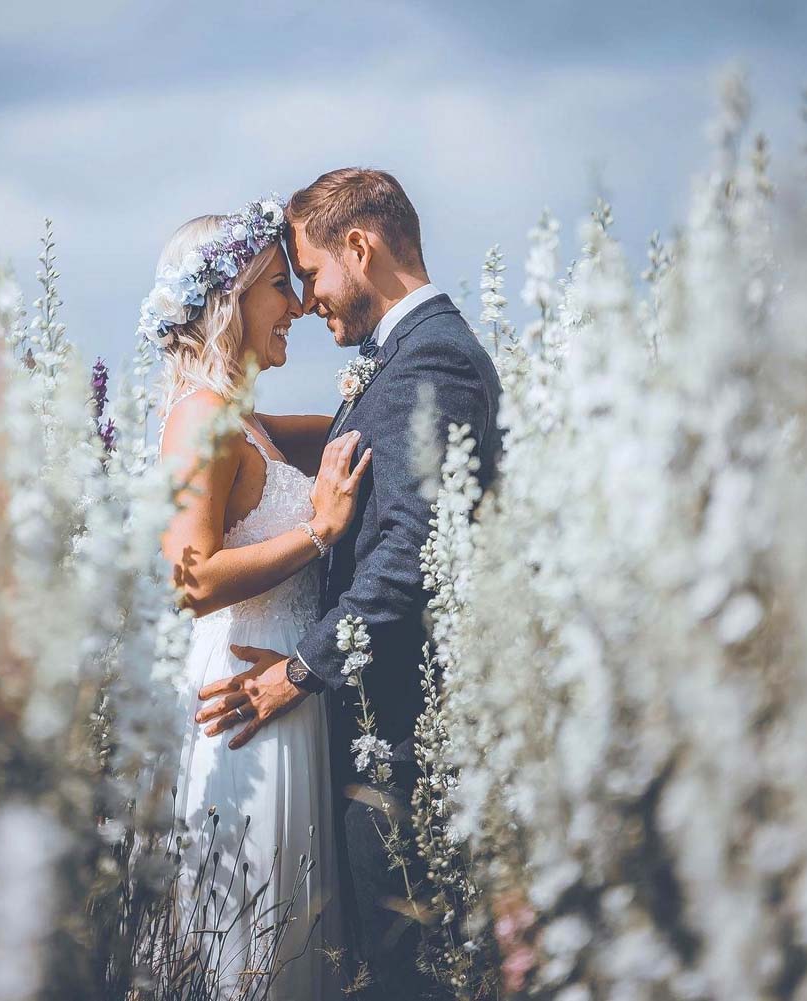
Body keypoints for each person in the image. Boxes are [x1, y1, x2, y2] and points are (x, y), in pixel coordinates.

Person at [195, 169, 503, 1000]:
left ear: (359, 247)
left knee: (416, 974)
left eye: (313, 273)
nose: (306, 297)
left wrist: (295, 674)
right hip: (374, 732)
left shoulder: (430, 357)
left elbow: (408, 556)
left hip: (401, 741)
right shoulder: (403, 356)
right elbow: (342, 453)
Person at [147, 197, 369, 999]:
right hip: (243, 712)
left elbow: (352, 421)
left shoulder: (248, 422)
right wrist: (318, 531)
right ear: (232, 297)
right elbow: (189, 579)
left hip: (286, 698)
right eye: (282, 286)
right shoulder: (199, 421)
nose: (301, 306)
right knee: (254, 946)